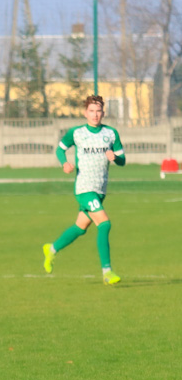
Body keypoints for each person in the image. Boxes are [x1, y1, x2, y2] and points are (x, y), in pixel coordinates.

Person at [42, 94, 126, 285]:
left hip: (100, 189)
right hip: (84, 188)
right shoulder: (76, 133)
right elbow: (59, 149)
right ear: (85, 113)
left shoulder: (111, 134)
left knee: (80, 227)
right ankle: (107, 272)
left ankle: (52, 249)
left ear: (103, 112)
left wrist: (115, 158)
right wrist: (64, 164)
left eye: (98, 111)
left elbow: (123, 160)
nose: (95, 115)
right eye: (91, 111)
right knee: (104, 224)